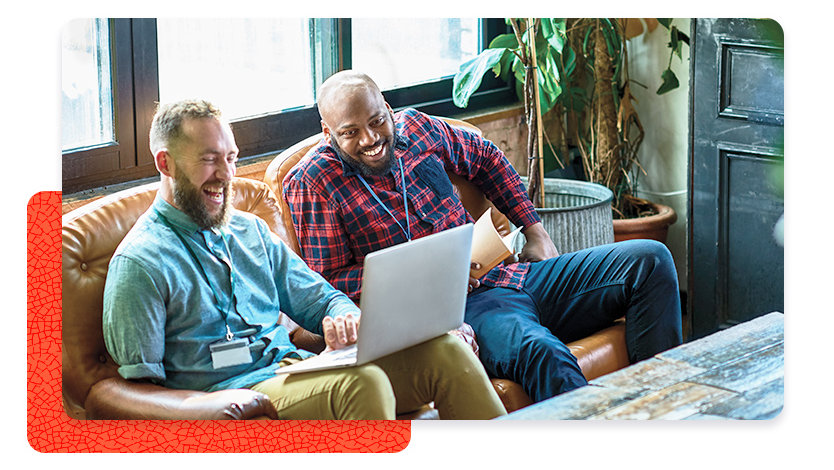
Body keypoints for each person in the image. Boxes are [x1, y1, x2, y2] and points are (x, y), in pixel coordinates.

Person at [284, 70, 684, 403]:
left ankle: (663, 409)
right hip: (458, 312)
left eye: (376, 121)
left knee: (649, 259)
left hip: (509, 276)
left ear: (388, 108)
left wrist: (535, 231)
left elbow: (487, 157)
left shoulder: (418, 130)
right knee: (542, 352)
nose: (370, 139)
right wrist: (428, 276)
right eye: (350, 132)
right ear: (327, 133)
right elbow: (329, 282)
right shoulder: (314, 183)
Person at [102, 99, 507, 420]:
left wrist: (345, 317)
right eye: (210, 159)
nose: (226, 174)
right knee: (363, 383)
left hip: (296, 370)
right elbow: (139, 393)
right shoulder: (140, 264)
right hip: (232, 396)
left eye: (231, 158)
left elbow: (323, 300)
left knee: (446, 351)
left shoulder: (251, 231)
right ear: (165, 163)